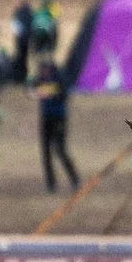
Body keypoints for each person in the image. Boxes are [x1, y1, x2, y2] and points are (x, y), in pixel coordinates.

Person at [33, 56, 78, 192]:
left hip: (59, 117)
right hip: (46, 116)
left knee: (60, 149)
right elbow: (32, 89)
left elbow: (64, 93)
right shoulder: (40, 78)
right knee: (46, 151)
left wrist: (51, 93)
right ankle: (51, 183)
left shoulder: (59, 76)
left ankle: (74, 179)